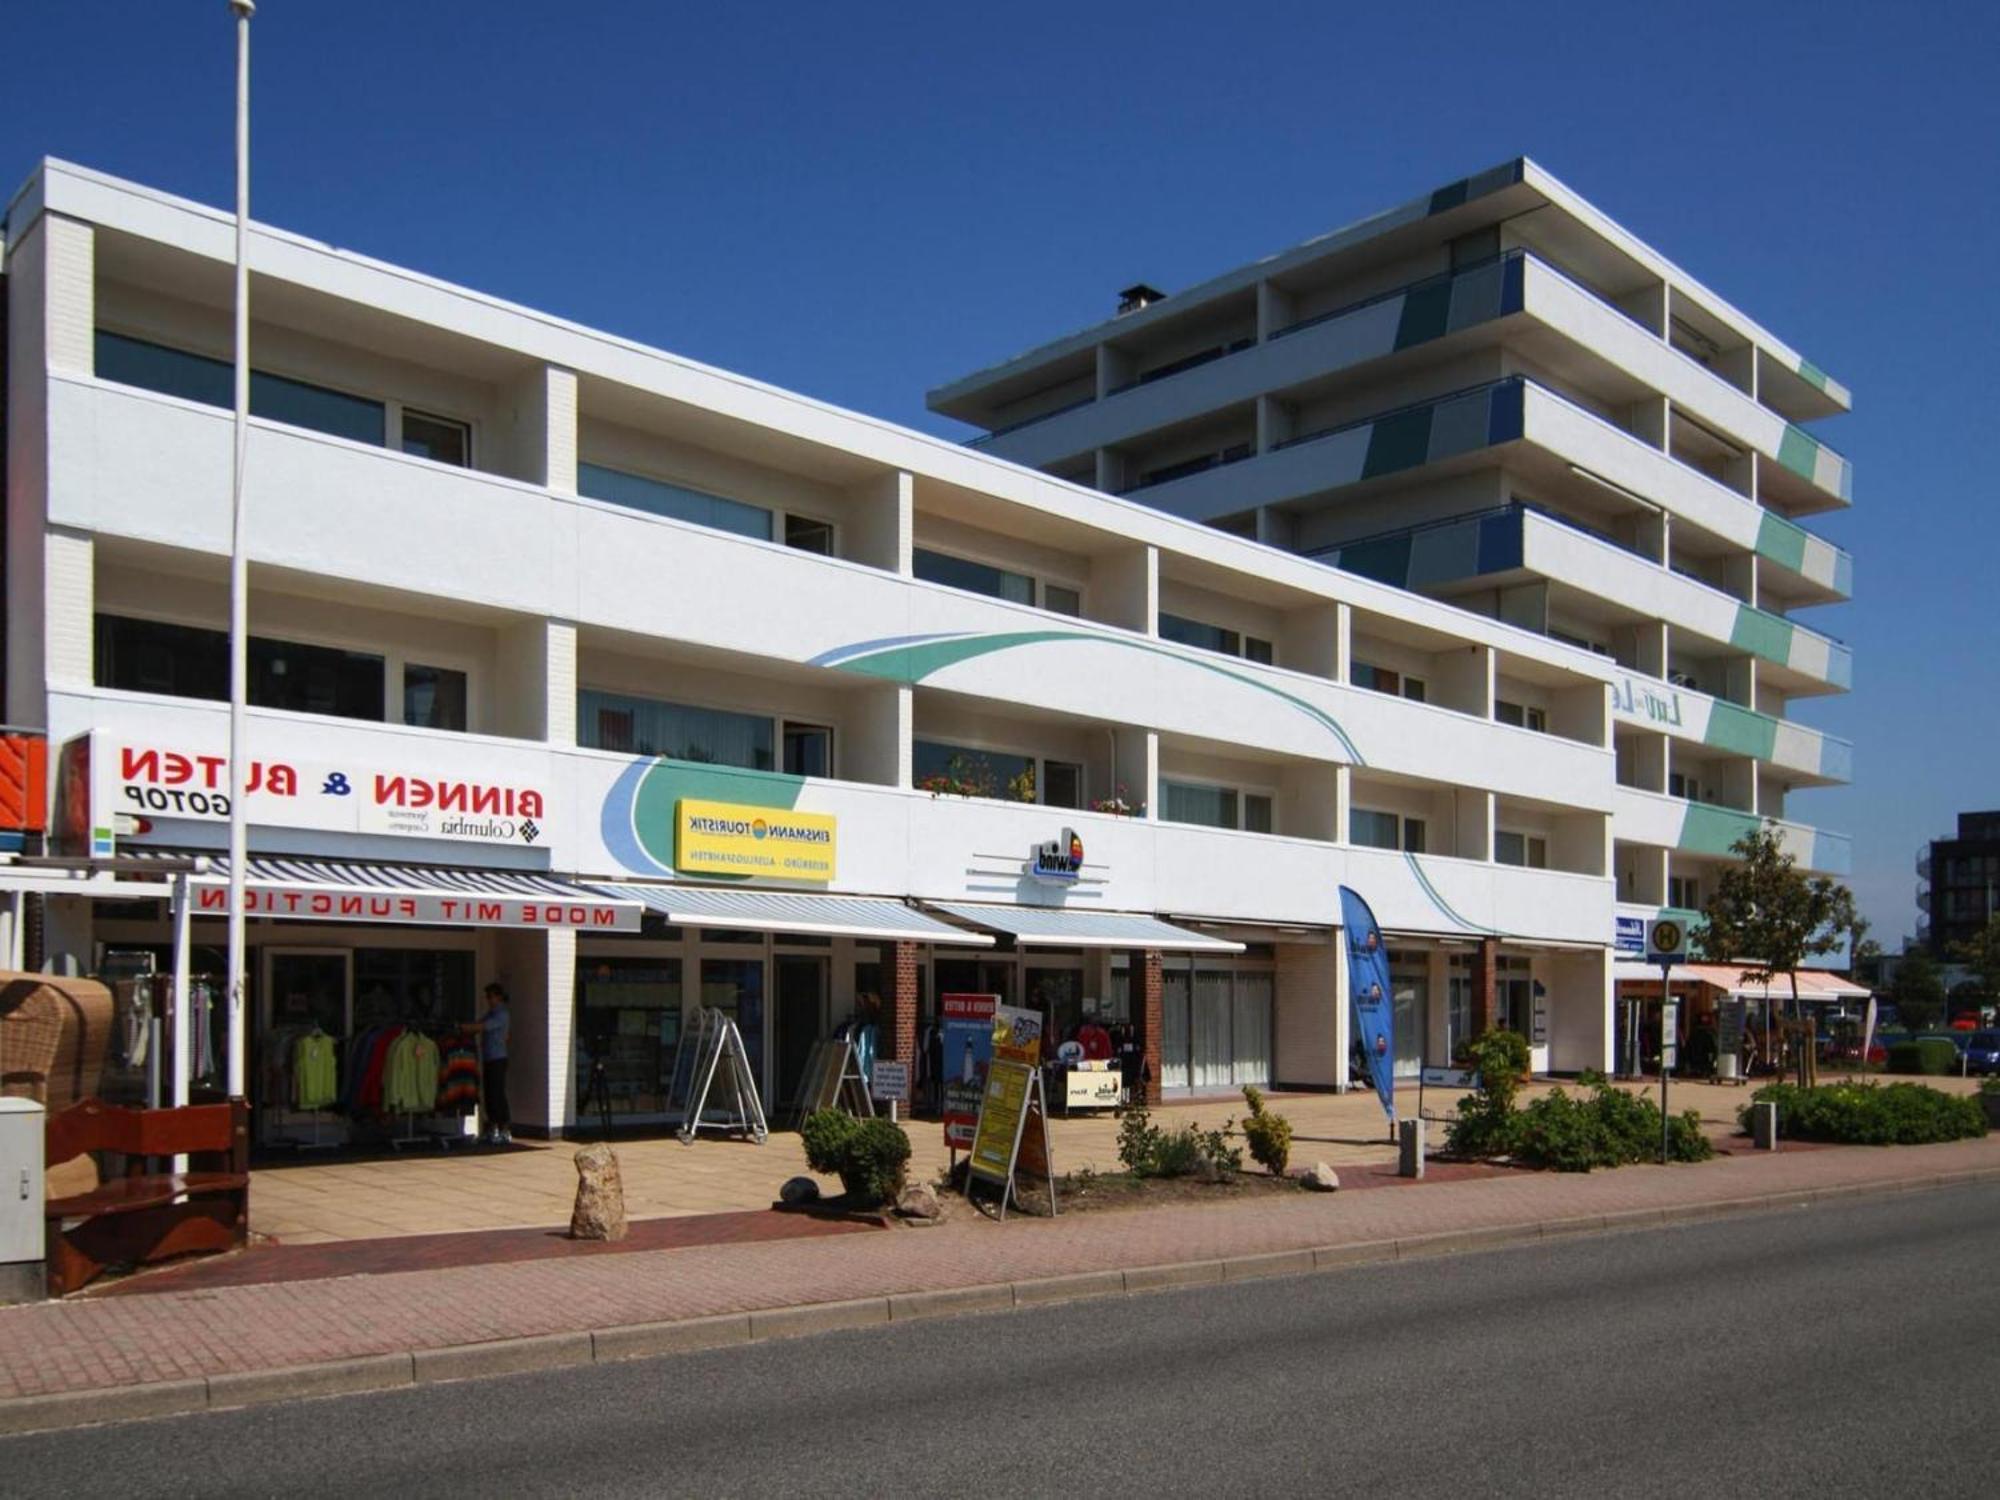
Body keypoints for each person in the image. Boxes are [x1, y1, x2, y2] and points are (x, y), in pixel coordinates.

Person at [477, 982, 512, 1144]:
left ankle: (504, 1128)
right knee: (489, 1094)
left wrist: (466, 1028)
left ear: (498, 996)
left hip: (498, 1058)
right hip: (488, 1057)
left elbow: (484, 1027)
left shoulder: (501, 1014)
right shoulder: (491, 1013)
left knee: (498, 1093)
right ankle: (492, 1127)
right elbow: (479, 1023)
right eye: (487, 997)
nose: (489, 1000)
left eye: (491, 996)